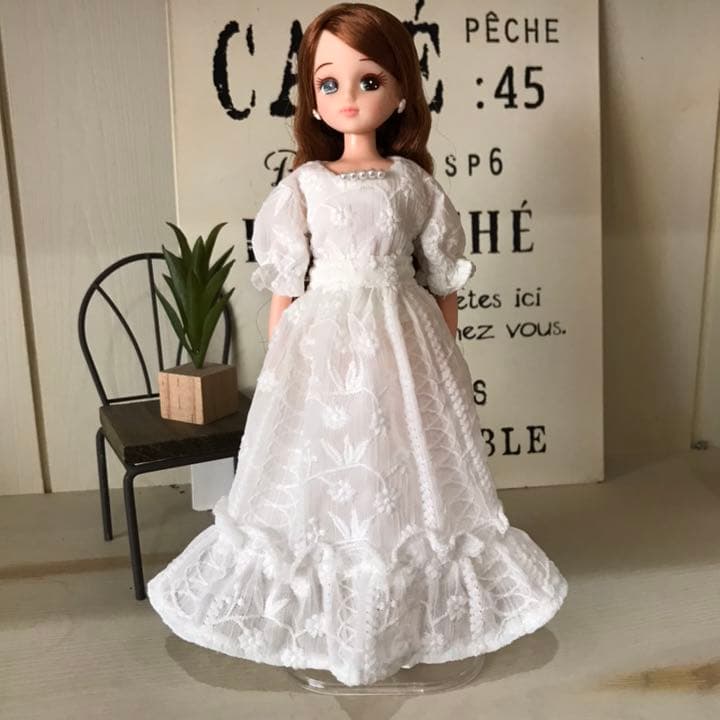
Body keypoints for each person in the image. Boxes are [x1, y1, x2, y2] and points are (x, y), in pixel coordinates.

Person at [147, 2, 568, 688]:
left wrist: (442, 351)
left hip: (403, 339)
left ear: (401, 91)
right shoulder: (305, 186)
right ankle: (332, 615)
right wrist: (285, 366)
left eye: (369, 80)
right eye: (329, 82)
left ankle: (400, 614)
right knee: (329, 466)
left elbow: (443, 276)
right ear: (312, 99)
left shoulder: (412, 184)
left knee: (399, 462)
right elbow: (286, 288)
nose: (347, 97)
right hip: (325, 345)